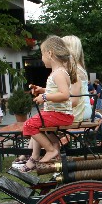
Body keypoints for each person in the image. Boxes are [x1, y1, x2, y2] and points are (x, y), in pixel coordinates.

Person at [21, 35, 75, 171]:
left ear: (50, 53)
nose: (41, 58)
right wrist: (42, 90)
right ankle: (54, 149)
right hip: (57, 113)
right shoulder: (57, 73)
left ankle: (51, 150)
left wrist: (45, 97)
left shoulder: (59, 74)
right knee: (37, 125)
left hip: (60, 114)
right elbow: (56, 90)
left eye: (42, 54)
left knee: (29, 125)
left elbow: (64, 94)